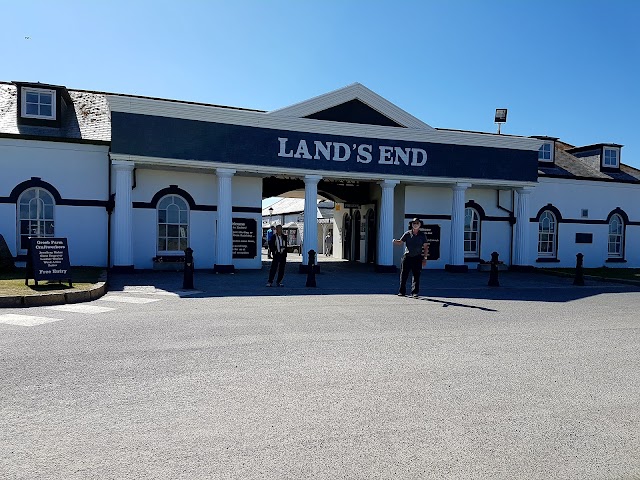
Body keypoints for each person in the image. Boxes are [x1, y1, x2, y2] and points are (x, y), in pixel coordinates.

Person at [393, 217, 429, 298]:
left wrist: (425, 258)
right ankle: (402, 292)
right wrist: (395, 241)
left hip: (417, 257)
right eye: (414, 223)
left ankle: (414, 292)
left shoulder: (422, 235)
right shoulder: (407, 234)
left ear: (420, 225)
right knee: (404, 275)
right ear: (412, 225)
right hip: (407, 257)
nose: (415, 225)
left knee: (416, 275)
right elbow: (400, 242)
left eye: (417, 223)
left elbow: (426, 247)